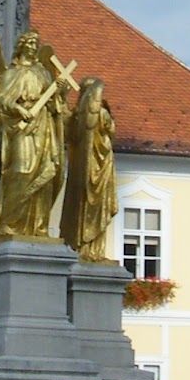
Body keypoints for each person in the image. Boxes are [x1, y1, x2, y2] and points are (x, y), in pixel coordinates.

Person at [0, 29, 69, 242]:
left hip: (43, 125)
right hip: (21, 126)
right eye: (30, 43)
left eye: (36, 44)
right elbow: (1, 100)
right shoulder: (12, 73)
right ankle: (8, 223)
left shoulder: (43, 73)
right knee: (21, 170)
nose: (33, 47)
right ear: (21, 46)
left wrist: (60, 91)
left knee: (46, 173)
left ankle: (37, 227)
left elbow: (54, 104)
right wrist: (19, 109)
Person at [59, 76, 118, 261]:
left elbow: (66, 128)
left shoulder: (80, 116)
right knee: (94, 206)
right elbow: (111, 131)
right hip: (97, 165)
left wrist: (63, 97)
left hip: (93, 166)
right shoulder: (98, 114)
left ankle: (88, 248)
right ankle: (91, 250)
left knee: (90, 205)